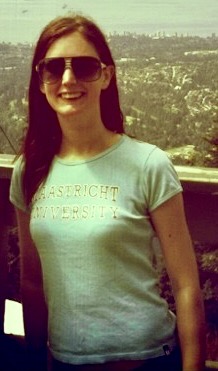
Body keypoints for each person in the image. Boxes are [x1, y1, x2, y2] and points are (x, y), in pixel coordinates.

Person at [10, 14, 206, 371]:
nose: (68, 79)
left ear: (106, 75)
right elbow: (32, 282)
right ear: (41, 81)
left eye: (83, 66)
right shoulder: (30, 171)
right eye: (53, 68)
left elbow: (186, 287)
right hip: (66, 361)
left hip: (148, 360)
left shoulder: (148, 164)